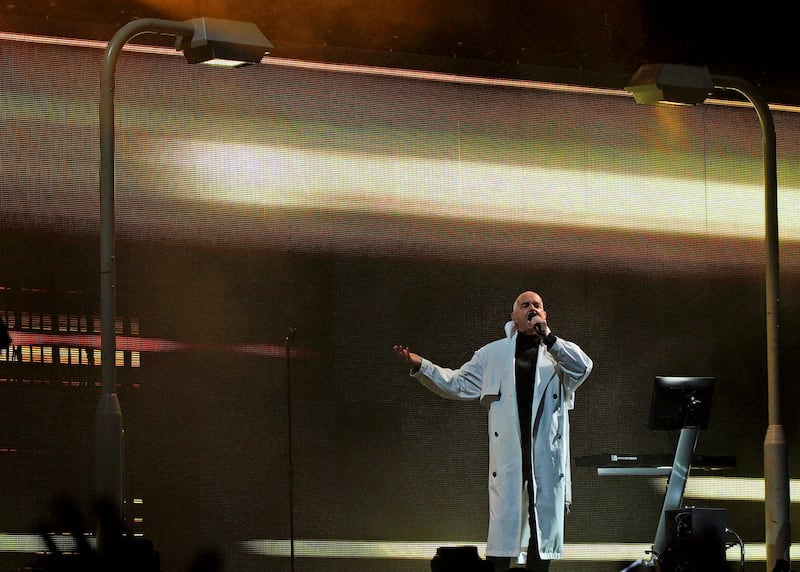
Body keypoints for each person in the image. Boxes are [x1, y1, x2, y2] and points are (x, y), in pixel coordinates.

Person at [393, 291, 592, 572]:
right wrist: (421, 366)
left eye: (537, 306)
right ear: (513, 316)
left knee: (542, 536)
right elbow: (456, 383)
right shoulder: (493, 354)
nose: (532, 309)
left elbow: (584, 368)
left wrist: (550, 338)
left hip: (544, 457)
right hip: (510, 457)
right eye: (525, 305)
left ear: (545, 316)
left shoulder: (558, 353)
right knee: (502, 540)